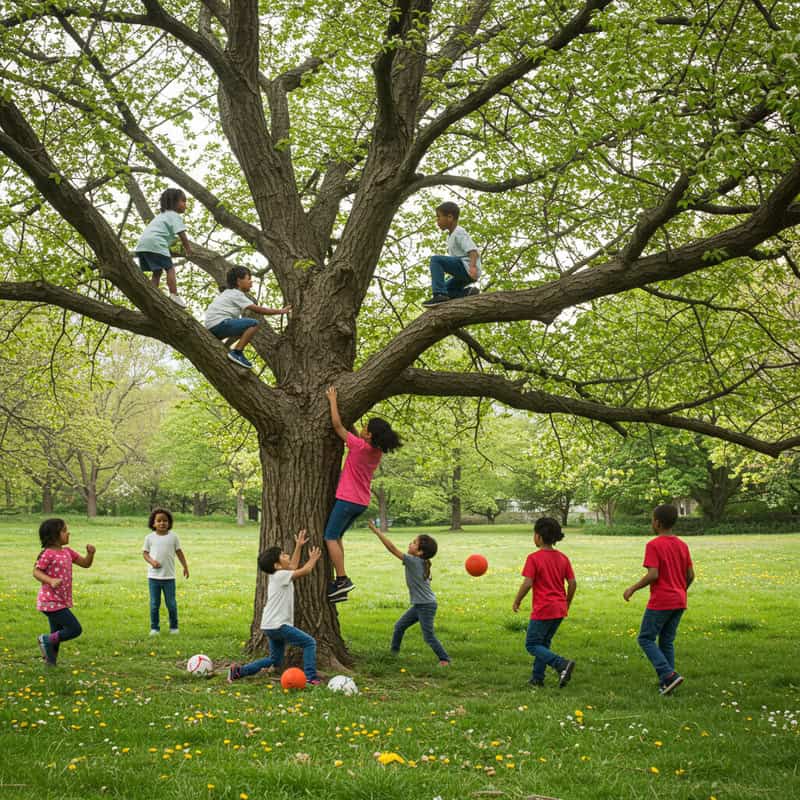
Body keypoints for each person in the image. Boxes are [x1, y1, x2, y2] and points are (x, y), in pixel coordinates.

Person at [323, 386, 402, 601]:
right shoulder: (375, 451)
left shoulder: (358, 447)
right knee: (337, 535)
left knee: (329, 537)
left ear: (369, 435)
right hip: (360, 502)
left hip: (347, 499)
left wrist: (332, 400)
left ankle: (342, 579)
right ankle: (341, 581)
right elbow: (355, 436)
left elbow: (337, 426)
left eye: (365, 427)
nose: (363, 429)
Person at [227, 530, 322, 685]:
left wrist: (299, 546)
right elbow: (305, 570)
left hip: (269, 625)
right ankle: (311, 677)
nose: (287, 555)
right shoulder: (280, 576)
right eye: (283, 555)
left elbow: (292, 566)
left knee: (275, 659)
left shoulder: (279, 574)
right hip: (279, 625)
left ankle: (239, 671)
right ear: (277, 565)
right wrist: (312, 559)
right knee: (309, 642)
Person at [623, 503, 694, 695]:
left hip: (662, 600)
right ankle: (668, 683)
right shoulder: (682, 545)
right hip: (680, 600)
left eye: (652, 520)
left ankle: (668, 674)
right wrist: (680, 589)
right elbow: (691, 575)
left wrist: (632, 588)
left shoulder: (653, 545)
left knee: (645, 638)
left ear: (657, 523)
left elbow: (653, 574)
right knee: (666, 641)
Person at [368, 521, 450, 666]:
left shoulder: (414, 561)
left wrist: (377, 532)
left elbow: (392, 548)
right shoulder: (421, 561)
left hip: (426, 606)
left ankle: (444, 659)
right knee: (399, 626)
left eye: (414, 542)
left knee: (428, 636)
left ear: (420, 552)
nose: (410, 544)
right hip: (420, 605)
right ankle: (393, 654)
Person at [512, 517, 577, 688]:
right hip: (559, 608)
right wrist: (567, 602)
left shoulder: (534, 558)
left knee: (532, 644)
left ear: (539, 536)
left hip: (544, 608)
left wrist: (517, 600)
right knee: (544, 644)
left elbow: (527, 582)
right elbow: (572, 583)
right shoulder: (563, 558)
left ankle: (561, 664)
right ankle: (537, 678)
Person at [33, 518, 95, 666]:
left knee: (57, 633)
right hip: (50, 601)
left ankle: (51, 663)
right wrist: (50, 580)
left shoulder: (67, 552)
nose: (68, 533)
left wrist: (90, 554)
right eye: (64, 530)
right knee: (74, 629)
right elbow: (36, 571)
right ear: (54, 535)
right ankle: (45, 640)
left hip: (61, 600)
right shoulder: (47, 553)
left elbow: (85, 564)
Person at [204, 266, 291, 369]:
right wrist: (281, 311)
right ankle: (237, 352)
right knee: (253, 324)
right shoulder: (236, 294)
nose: (251, 282)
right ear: (239, 281)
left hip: (213, 327)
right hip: (220, 324)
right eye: (248, 279)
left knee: (242, 329)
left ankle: (227, 348)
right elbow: (258, 310)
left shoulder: (227, 293)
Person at [134, 188, 192, 308]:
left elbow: (161, 234)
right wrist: (188, 249)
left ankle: (151, 294)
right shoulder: (174, 215)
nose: (185, 205)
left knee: (157, 271)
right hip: (156, 244)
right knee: (170, 268)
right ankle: (174, 295)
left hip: (143, 246)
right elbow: (182, 233)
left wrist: (168, 250)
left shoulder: (161, 217)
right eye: (183, 201)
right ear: (174, 202)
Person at [421, 201, 482, 306]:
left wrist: (472, 267)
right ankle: (468, 293)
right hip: (463, 272)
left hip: (467, 268)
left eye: (439, 217)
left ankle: (439, 294)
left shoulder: (459, 232)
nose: (437, 221)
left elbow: (473, 252)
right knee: (447, 290)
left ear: (449, 217)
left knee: (436, 260)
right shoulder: (450, 236)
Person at [143, 508, 189, 636]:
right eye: (159, 521)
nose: (162, 523)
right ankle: (154, 628)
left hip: (169, 578)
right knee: (154, 604)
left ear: (169, 523)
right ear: (153, 523)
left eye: (165, 521)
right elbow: (145, 554)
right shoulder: (149, 538)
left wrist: (185, 566)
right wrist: (152, 562)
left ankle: (174, 627)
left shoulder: (173, 537)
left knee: (171, 604)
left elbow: (179, 552)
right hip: (153, 578)